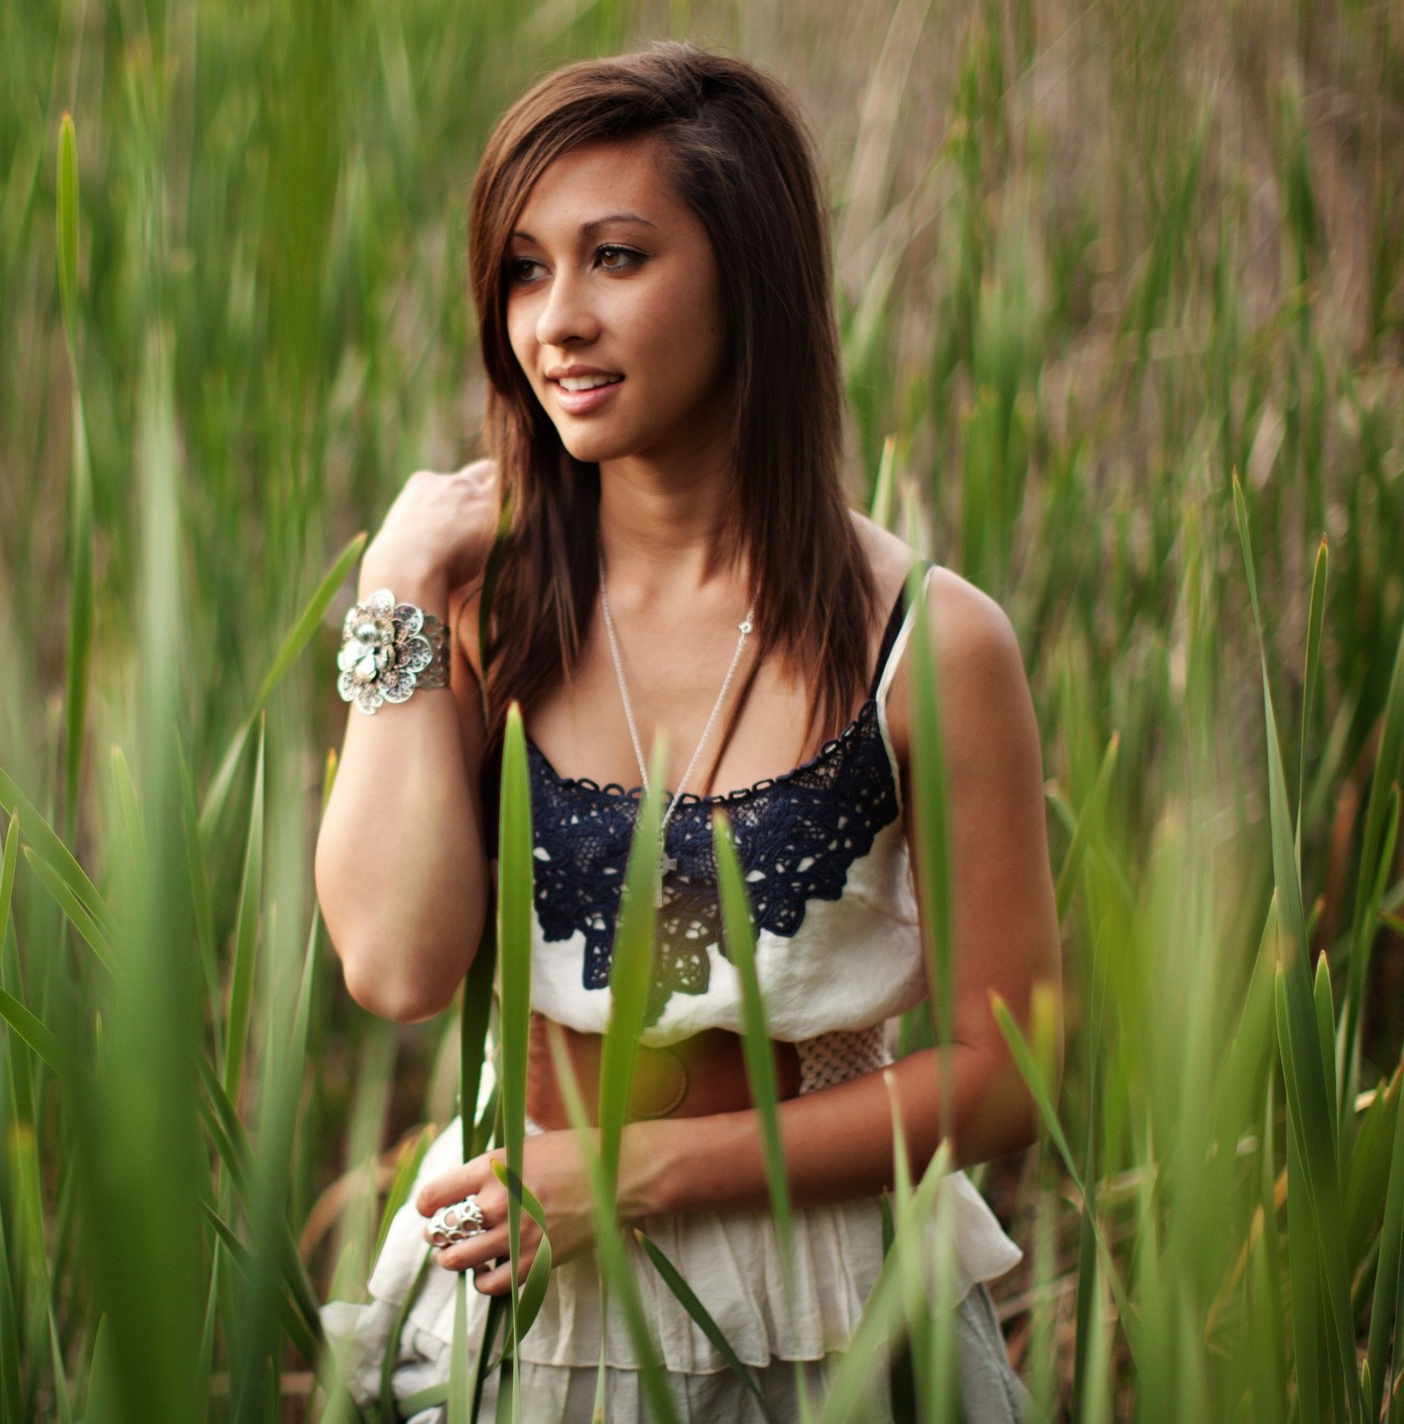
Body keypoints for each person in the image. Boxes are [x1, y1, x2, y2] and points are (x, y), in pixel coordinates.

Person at [315, 41, 1061, 1422]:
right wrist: (396, 595)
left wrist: (641, 1175)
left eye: (616, 257)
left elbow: (1006, 1073)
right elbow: (393, 963)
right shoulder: (486, 610)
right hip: (521, 1294)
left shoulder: (932, 646)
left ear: (749, 275)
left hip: (820, 1310)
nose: (556, 321)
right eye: (525, 269)